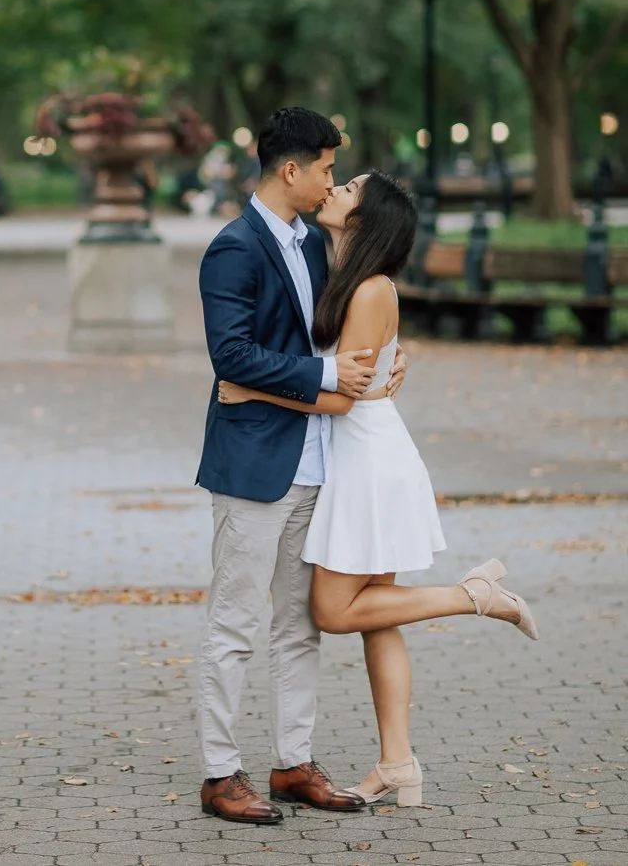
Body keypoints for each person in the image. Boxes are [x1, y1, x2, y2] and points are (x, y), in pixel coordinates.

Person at [219, 168, 537, 811]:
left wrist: (249, 389)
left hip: (367, 462)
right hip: (364, 453)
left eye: (350, 187)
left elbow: (344, 396)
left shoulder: (367, 289)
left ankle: (469, 595)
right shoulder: (354, 280)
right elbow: (359, 373)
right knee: (376, 617)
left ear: (366, 220)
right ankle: (398, 765)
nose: (335, 188)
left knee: (334, 612)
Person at [195, 107, 407, 826]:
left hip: (321, 463)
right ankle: (221, 773)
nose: (330, 182)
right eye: (325, 169)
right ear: (292, 170)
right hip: (254, 464)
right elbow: (231, 356)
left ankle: (293, 762)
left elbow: (355, 325)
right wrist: (323, 375)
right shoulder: (233, 248)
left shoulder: (321, 247)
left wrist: (385, 364)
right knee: (234, 625)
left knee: (298, 626)